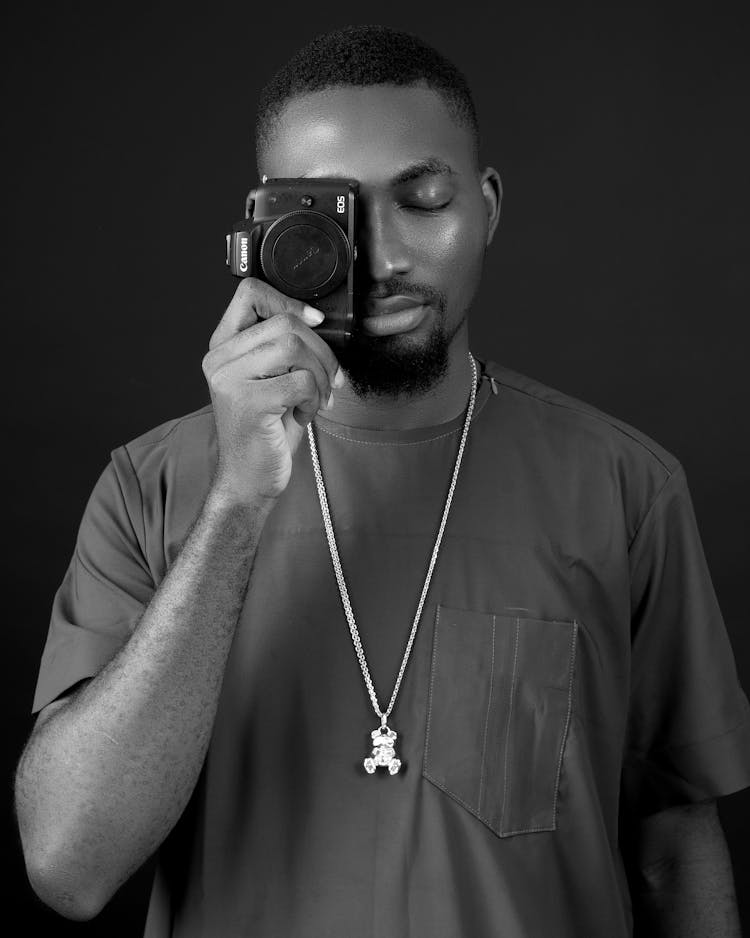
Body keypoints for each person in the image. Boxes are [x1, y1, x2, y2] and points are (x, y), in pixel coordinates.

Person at [13, 25, 750, 938]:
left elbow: (673, 845)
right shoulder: (153, 486)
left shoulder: (626, 486)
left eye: (425, 199)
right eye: (335, 214)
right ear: (261, 228)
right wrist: (239, 500)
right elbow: (69, 867)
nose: (385, 257)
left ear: (485, 207)